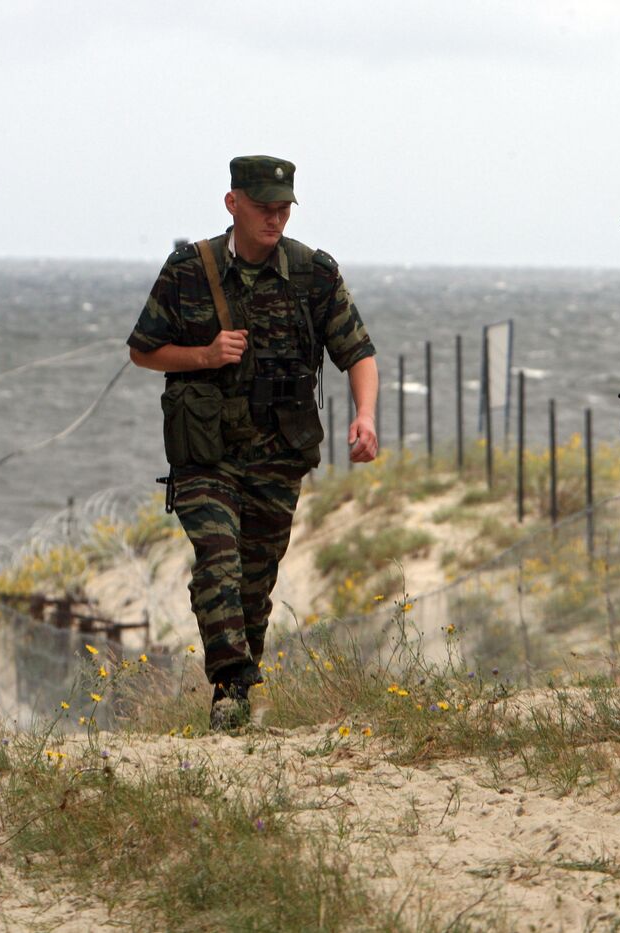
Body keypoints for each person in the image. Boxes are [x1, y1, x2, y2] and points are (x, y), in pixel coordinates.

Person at [128, 155, 378, 730]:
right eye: (264, 207)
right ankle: (233, 682)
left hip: (277, 455)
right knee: (217, 558)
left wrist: (365, 417)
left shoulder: (313, 274)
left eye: (283, 208)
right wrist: (204, 356)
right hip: (206, 454)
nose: (275, 218)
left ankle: (234, 701)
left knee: (254, 581)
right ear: (232, 202)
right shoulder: (190, 269)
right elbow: (143, 349)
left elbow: (358, 353)